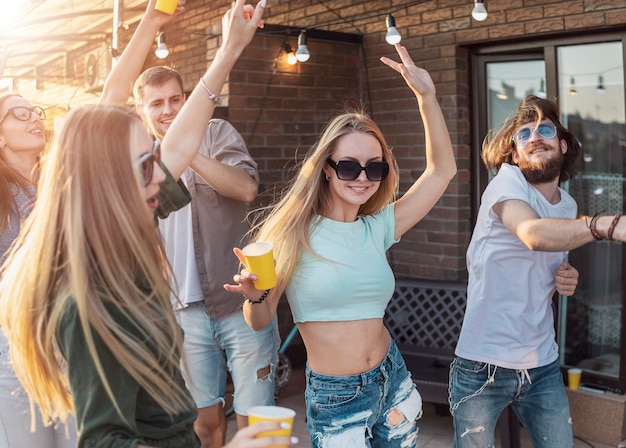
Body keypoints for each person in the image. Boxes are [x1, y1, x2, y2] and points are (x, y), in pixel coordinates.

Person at [0, 2, 296, 447]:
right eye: (144, 164)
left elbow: (173, 149)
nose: (160, 172)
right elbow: (106, 440)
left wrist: (228, 51)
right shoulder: (92, 299)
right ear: (107, 178)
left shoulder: (116, 226)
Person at [220, 43, 457, 447]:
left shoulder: (377, 228)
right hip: (336, 394)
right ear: (326, 170)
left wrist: (428, 98)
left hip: (392, 377)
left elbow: (442, 171)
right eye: (348, 166)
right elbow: (258, 322)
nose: (361, 177)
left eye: (374, 167)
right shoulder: (289, 234)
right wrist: (257, 296)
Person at [450, 94, 626, 448]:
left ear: (562, 144)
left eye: (544, 129)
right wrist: (604, 225)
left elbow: (548, 258)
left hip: (542, 364)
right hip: (483, 366)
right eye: (523, 134)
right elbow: (533, 234)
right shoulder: (506, 185)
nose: (534, 137)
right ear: (514, 155)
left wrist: (565, 276)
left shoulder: (569, 204)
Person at [0, 49, 78, 447]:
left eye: (35, 111)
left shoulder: (58, 183)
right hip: (13, 351)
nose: (34, 117)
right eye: (19, 113)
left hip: (68, 341)